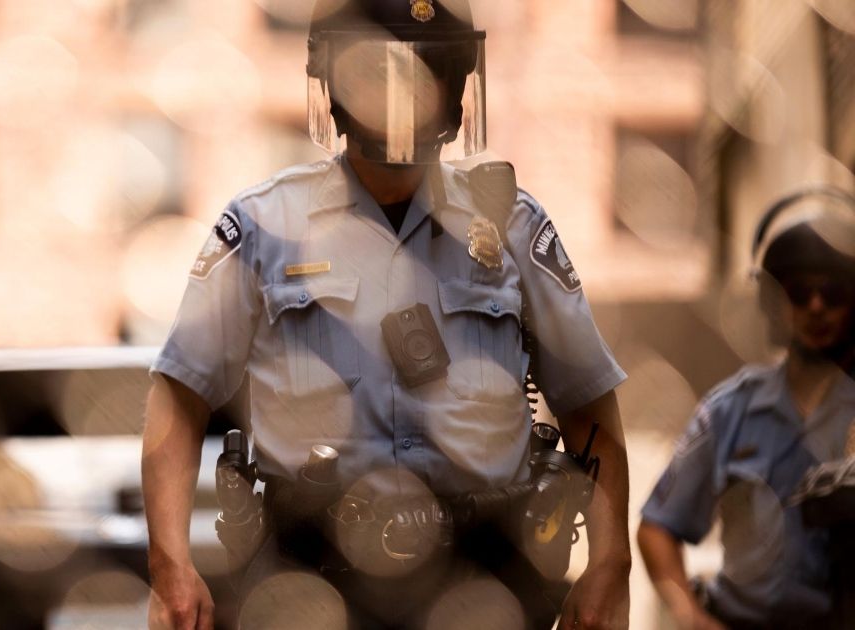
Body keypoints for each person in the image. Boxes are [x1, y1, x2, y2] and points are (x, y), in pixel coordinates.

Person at [142, 1, 632, 628]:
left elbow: (590, 408)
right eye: (378, 71)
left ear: (456, 94)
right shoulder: (266, 227)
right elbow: (179, 395)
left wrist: (609, 562)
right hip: (306, 580)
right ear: (335, 86)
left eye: (425, 72)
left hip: (487, 583)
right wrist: (170, 566)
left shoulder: (512, 228)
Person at [637, 188, 855, 630]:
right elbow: (657, 526)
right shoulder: (728, 411)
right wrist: (692, 616)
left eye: (832, 294)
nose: (816, 308)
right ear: (773, 302)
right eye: (798, 293)